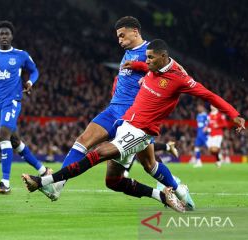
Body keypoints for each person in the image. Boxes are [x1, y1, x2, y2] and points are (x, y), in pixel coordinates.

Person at [22, 39, 245, 211]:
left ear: (164, 57)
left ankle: (44, 181)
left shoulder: (179, 79)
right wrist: (136, 64)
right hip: (126, 125)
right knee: (114, 181)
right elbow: (145, 66)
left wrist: (234, 114)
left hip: (142, 132)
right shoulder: (151, 68)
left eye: (150, 59)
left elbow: (209, 95)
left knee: (98, 153)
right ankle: (163, 195)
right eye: (145, 59)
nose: (146, 62)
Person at [39, 16, 179, 201]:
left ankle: (178, 190)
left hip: (133, 116)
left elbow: (168, 73)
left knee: (149, 165)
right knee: (83, 140)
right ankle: (58, 185)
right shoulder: (127, 53)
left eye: (122, 36)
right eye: (118, 37)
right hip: (113, 109)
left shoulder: (150, 52)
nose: (120, 41)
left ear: (135, 32)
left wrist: (147, 75)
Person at [0, 20, 51, 194]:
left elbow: (35, 71)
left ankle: (5, 183)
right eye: (1, 33)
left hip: (13, 101)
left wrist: (31, 82)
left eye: (7, 33)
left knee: (3, 135)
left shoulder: (21, 55)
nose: (4, 36)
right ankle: (43, 171)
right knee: (15, 142)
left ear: (11, 36)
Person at [193, 103, 210, 167]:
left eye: (199, 107)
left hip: (204, 134)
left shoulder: (206, 115)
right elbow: (199, 125)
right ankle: (198, 161)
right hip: (199, 134)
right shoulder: (198, 115)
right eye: (197, 107)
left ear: (202, 108)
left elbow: (209, 123)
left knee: (210, 147)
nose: (198, 108)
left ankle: (219, 158)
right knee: (196, 147)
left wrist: (206, 128)